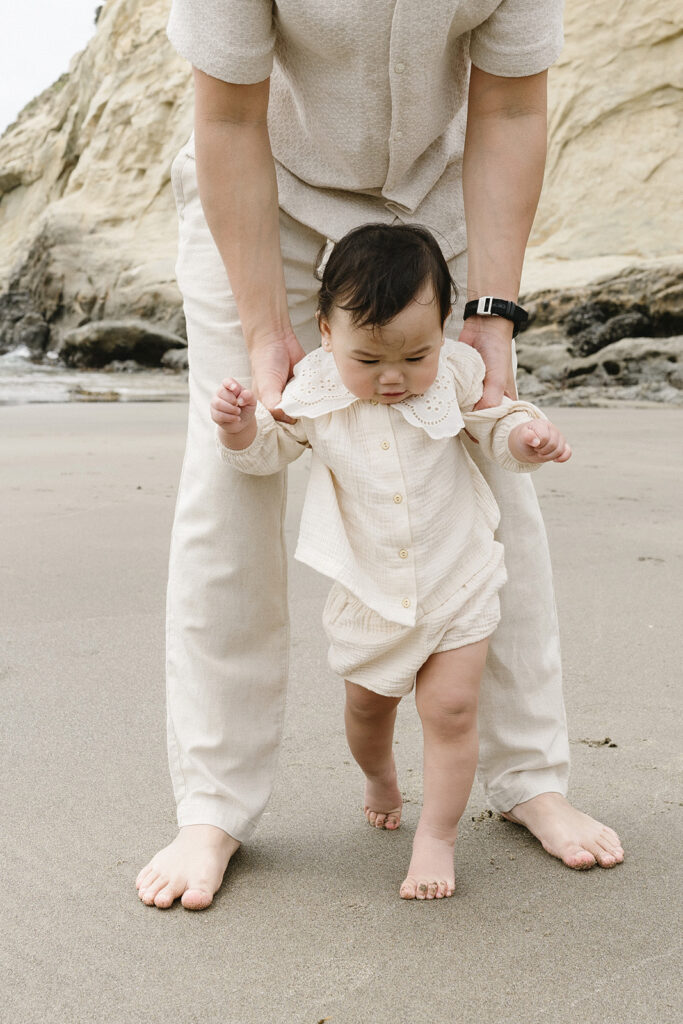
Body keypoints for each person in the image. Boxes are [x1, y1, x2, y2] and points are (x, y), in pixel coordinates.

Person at [136, 0, 623, 911]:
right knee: (228, 483)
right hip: (262, 198)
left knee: (493, 476)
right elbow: (229, 113)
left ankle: (530, 777)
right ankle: (212, 807)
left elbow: (511, 109)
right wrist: (263, 332)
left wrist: (493, 317)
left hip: (432, 213)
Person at [211, 224, 572, 900]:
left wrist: (528, 437)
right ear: (324, 331)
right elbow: (265, 454)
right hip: (368, 595)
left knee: (452, 710)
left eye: (415, 354)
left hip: (455, 579)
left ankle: (436, 835)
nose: (393, 377)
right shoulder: (311, 390)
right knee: (367, 714)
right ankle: (379, 776)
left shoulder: (457, 373)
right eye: (369, 358)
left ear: (443, 329)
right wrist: (238, 428)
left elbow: (496, 428)